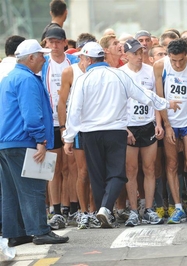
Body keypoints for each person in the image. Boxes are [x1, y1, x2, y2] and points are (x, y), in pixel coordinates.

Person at [62, 42, 180, 228]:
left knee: (97, 175)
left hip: (91, 133)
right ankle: (105, 210)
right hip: (115, 131)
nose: (82, 62)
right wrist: (165, 103)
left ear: (89, 59)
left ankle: (104, 210)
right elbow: (142, 94)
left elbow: (74, 110)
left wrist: (69, 137)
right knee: (117, 173)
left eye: (83, 59)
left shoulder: (82, 80)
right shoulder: (118, 75)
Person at [0, 39, 69, 245]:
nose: (44, 58)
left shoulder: (9, 78)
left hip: (7, 142)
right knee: (33, 188)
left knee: (11, 191)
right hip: (23, 140)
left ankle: (16, 233)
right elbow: (31, 115)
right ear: (30, 58)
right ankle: (40, 231)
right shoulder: (27, 79)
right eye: (41, 55)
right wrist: (40, 139)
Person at [154, 39, 187, 224]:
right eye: (173, 60)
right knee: (172, 164)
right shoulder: (160, 66)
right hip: (171, 122)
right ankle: (177, 207)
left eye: (181, 60)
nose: (177, 64)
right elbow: (159, 97)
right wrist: (166, 125)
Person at [57, 34, 100, 229]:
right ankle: (83, 212)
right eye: (81, 56)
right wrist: (65, 128)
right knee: (82, 172)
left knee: (96, 172)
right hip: (79, 129)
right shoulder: (70, 72)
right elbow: (62, 101)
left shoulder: (100, 71)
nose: (82, 59)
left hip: (97, 127)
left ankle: (95, 210)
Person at [119, 39, 164, 226]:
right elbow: (117, 103)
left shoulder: (150, 71)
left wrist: (158, 123)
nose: (139, 56)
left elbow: (156, 99)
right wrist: (124, 128)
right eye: (135, 53)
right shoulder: (120, 74)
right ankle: (133, 211)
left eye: (141, 53)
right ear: (126, 56)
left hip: (148, 124)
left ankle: (149, 208)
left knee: (150, 168)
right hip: (130, 126)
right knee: (131, 170)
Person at [41, 27, 79, 230]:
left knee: (71, 167)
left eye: (57, 42)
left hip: (70, 122)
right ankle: (55, 211)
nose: (54, 46)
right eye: (50, 42)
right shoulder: (43, 63)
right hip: (50, 123)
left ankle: (71, 208)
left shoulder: (73, 62)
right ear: (46, 43)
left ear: (65, 43)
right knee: (53, 168)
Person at [0, 35, 25, 237]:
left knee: (6, 187)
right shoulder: (19, 73)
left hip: (4, 135)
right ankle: (21, 229)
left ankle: (9, 229)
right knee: (21, 187)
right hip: (16, 135)